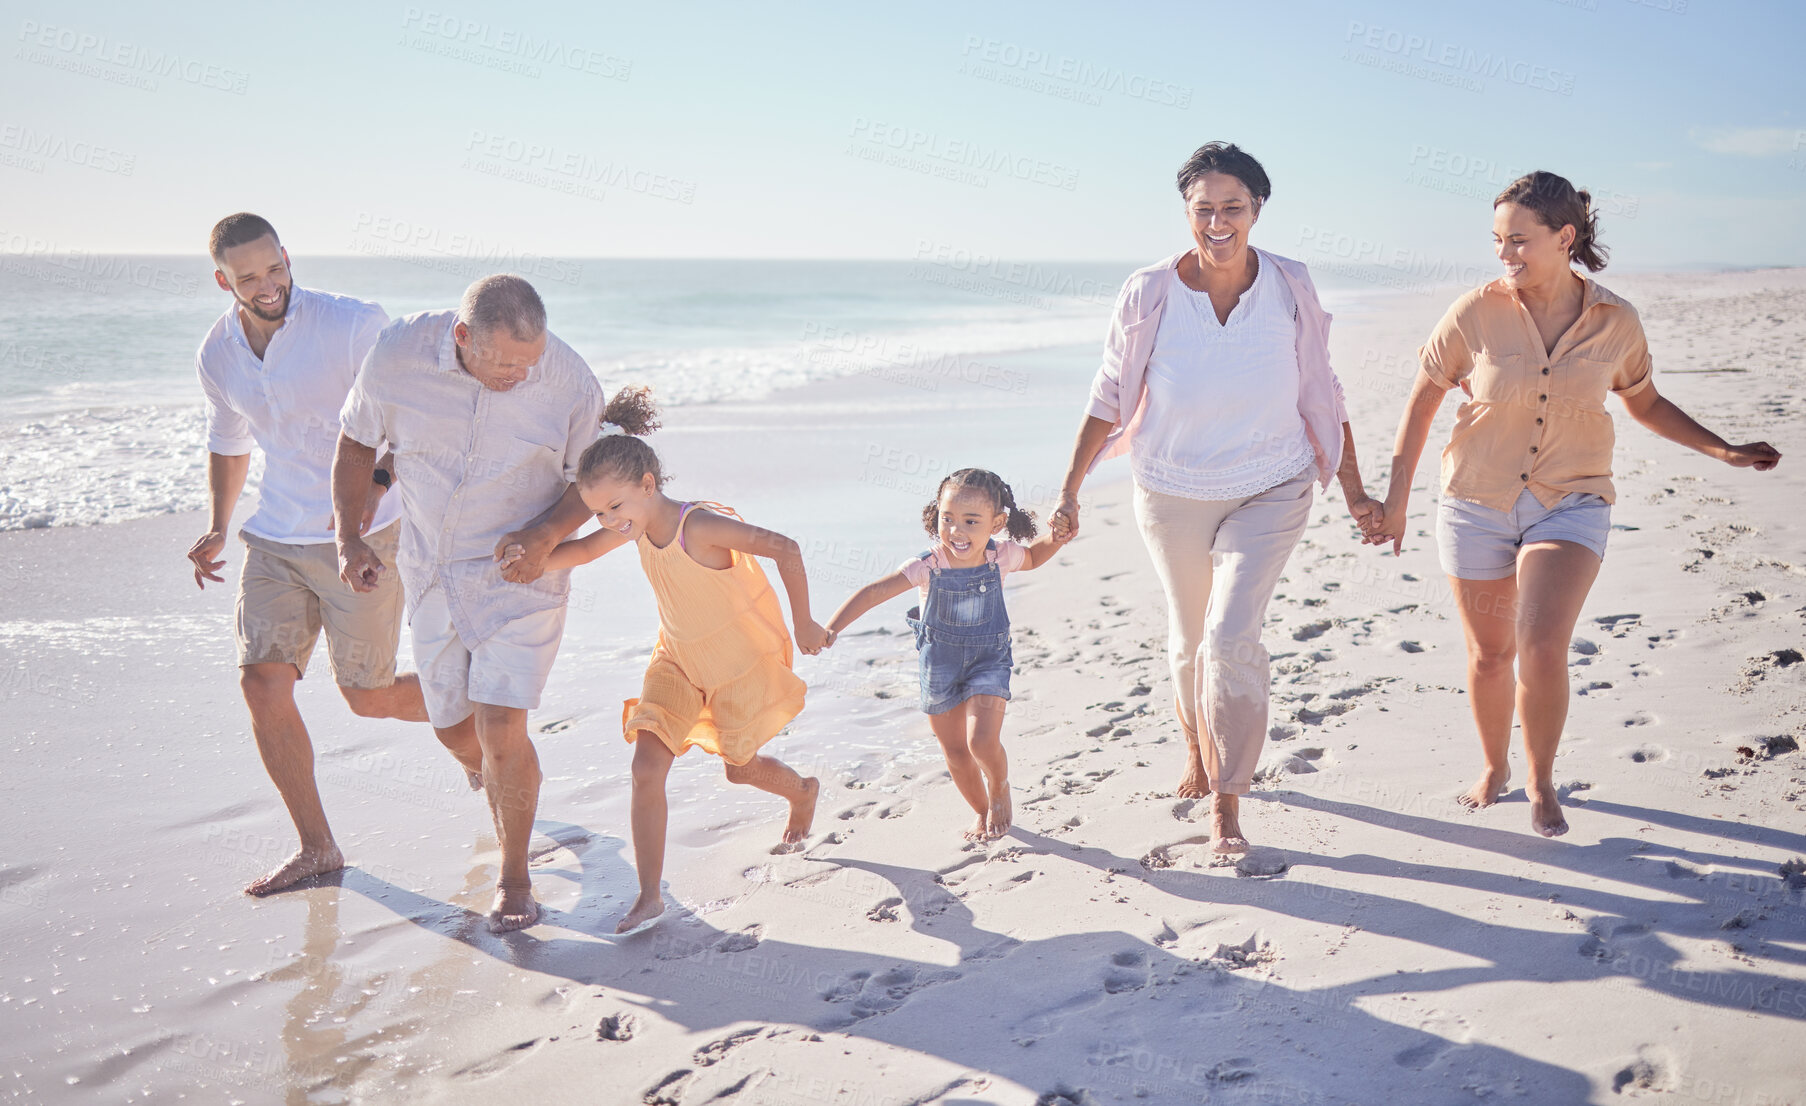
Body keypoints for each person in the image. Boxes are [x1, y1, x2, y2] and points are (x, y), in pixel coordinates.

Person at [1368, 170, 1781, 838]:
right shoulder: (1475, 311)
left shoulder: (1616, 321)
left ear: (1565, 237)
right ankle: (1494, 768)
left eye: (1519, 241)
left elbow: (1643, 400)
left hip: (1572, 500)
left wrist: (1723, 450)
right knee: (1489, 655)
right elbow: (1425, 394)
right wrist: (1396, 499)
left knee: (1540, 643)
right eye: (1498, 241)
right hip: (1474, 499)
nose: (1505, 255)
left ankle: (1539, 779)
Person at [1049, 142, 1386, 854]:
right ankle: (1199, 754)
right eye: (1204, 209)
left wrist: (1355, 493)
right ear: (1187, 212)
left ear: (1257, 209)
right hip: (1171, 491)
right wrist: (1070, 490)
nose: (1218, 221)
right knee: (1188, 641)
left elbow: (1323, 391)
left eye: (1233, 207)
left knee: (1230, 637)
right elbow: (1110, 394)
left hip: (1274, 483)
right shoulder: (1149, 292)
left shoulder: (1290, 284)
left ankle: (1228, 804)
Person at [187, 212, 453, 897]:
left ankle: (475, 713)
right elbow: (229, 439)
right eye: (249, 277)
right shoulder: (217, 353)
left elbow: (411, 414)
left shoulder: (351, 324)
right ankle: (318, 848)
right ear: (224, 280)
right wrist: (219, 525)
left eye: (275, 267)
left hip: (367, 532)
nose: (268, 284)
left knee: (368, 697)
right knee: (260, 683)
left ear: (286, 256)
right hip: (275, 534)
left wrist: (372, 497)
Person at [333, 274, 604, 932]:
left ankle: (516, 881)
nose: (522, 374)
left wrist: (544, 536)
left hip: (522, 576)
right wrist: (348, 537)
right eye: (506, 363)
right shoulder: (397, 357)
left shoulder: (569, 381)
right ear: (463, 338)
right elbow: (356, 441)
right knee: (455, 728)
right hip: (430, 570)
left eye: (530, 361)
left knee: (502, 726)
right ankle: (500, 783)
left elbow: (591, 480)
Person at [517, 421, 828, 933]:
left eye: (615, 506)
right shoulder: (633, 527)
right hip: (677, 662)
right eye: (597, 512)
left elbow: (786, 548)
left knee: (740, 769)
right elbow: (581, 552)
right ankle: (649, 896)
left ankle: (801, 792)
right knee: (646, 767)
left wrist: (805, 622)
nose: (609, 520)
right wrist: (529, 558)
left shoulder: (697, 526)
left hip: (734, 665)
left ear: (647, 483)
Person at [826, 468, 1068, 842]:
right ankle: (982, 810)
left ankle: (999, 784)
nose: (957, 530)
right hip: (938, 667)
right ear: (936, 515)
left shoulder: (999, 556)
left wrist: (1058, 537)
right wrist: (832, 628)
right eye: (948, 519)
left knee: (981, 742)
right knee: (955, 751)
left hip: (989, 660)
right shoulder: (928, 564)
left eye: (971, 521)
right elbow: (875, 592)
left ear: (996, 522)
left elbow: (1035, 557)